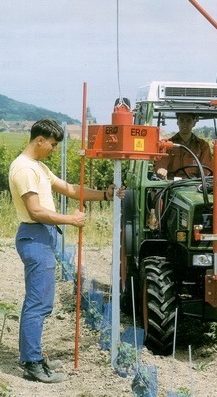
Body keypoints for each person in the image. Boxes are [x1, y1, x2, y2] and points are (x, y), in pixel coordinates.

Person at [8, 118, 125, 383]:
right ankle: (32, 363)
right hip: (35, 237)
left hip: (43, 236)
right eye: (52, 144)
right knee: (38, 304)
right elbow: (36, 211)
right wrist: (71, 220)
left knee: (42, 302)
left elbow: (71, 189)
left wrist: (106, 195)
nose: (53, 149)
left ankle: (35, 355)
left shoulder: (39, 167)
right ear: (39, 140)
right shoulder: (23, 169)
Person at [155, 112, 213, 179]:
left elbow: (207, 168)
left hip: (194, 183)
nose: (184, 124)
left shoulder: (202, 145)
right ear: (177, 122)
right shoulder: (167, 144)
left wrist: (203, 179)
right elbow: (161, 162)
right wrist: (161, 169)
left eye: (188, 121)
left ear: (194, 123)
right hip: (172, 183)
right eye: (181, 120)